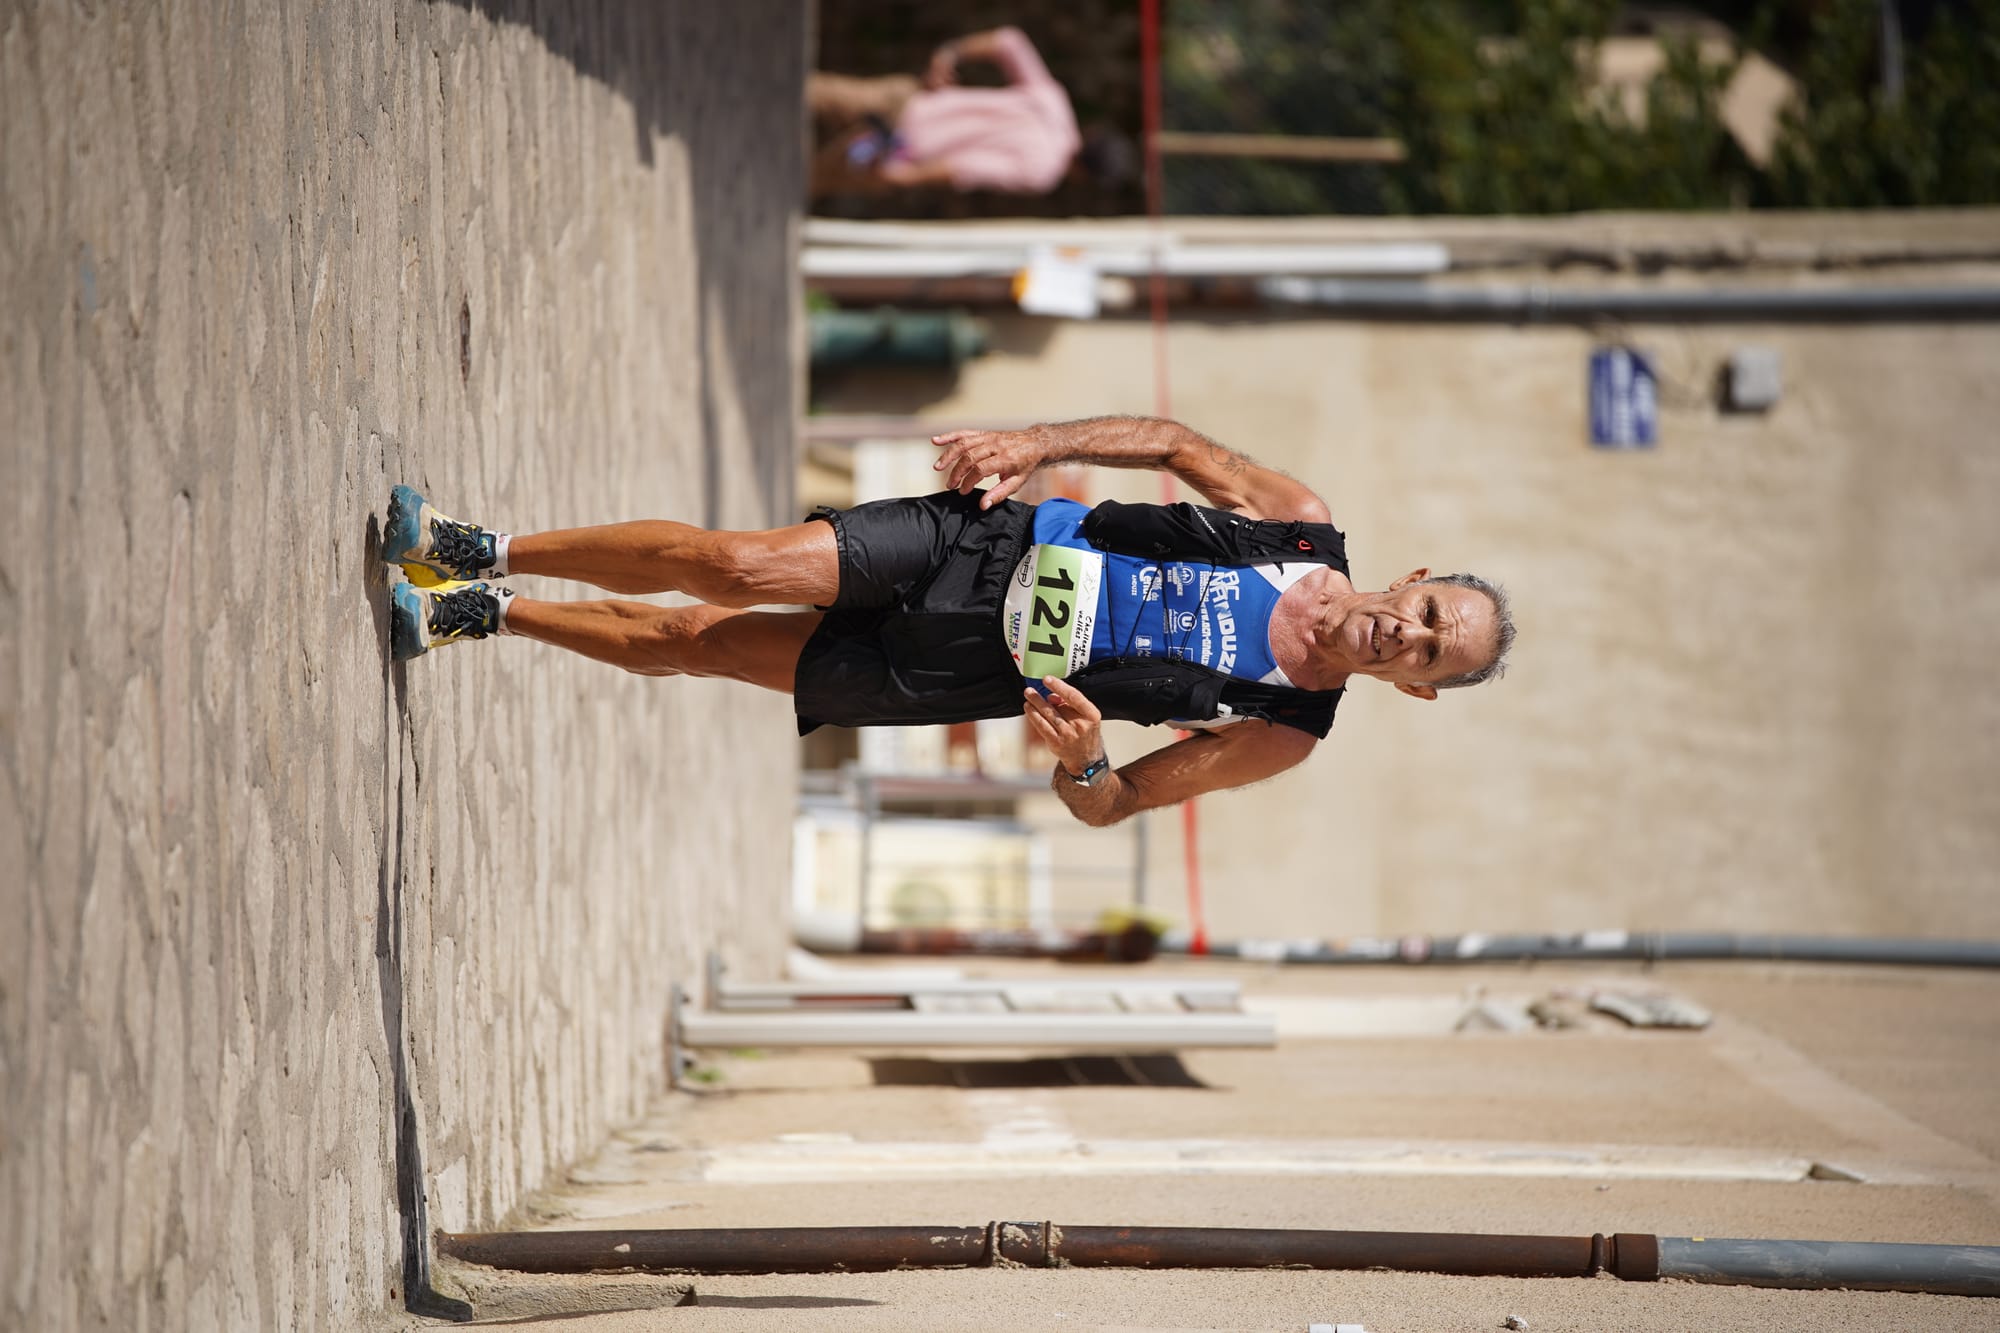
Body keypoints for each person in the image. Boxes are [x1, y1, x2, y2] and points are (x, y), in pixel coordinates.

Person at [383, 416, 1514, 827]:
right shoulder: (1298, 528)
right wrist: (1034, 441)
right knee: (735, 565)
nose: (1405, 636)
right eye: (1423, 614)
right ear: (1408, 578)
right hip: (983, 545)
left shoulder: (1280, 728)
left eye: (1426, 654)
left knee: (701, 646)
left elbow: (1115, 806)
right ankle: (480, 544)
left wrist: (1081, 764)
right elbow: (1174, 444)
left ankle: (491, 613)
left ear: (1412, 689)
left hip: (962, 672)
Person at [808, 26, 1132, 198]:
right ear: (1085, 176)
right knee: (803, 177)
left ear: (1093, 133)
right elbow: (966, 168)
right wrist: (908, 177)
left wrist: (950, 54)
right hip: (895, 148)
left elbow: (1010, 42)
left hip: (914, 99)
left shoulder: (1054, 103)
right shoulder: (1042, 172)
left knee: (808, 93)